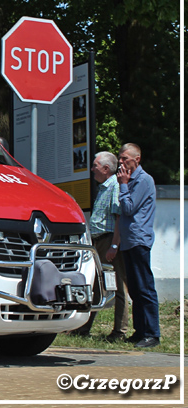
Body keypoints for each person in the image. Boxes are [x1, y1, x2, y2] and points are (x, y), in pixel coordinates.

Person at [70, 151, 129, 340]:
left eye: (95, 165)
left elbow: (119, 217)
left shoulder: (114, 186)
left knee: (118, 285)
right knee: (94, 285)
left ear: (105, 168)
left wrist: (114, 245)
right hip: (98, 240)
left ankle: (120, 330)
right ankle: (82, 327)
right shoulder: (104, 187)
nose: (92, 169)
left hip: (108, 240)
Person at [108, 143, 159, 348]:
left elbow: (128, 208)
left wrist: (123, 184)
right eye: (120, 158)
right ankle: (140, 331)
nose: (120, 162)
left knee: (145, 288)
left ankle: (152, 333)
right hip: (129, 242)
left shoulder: (143, 180)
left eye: (125, 158)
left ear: (137, 160)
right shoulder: (129, 181)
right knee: (135, 290)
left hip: (139, 240)